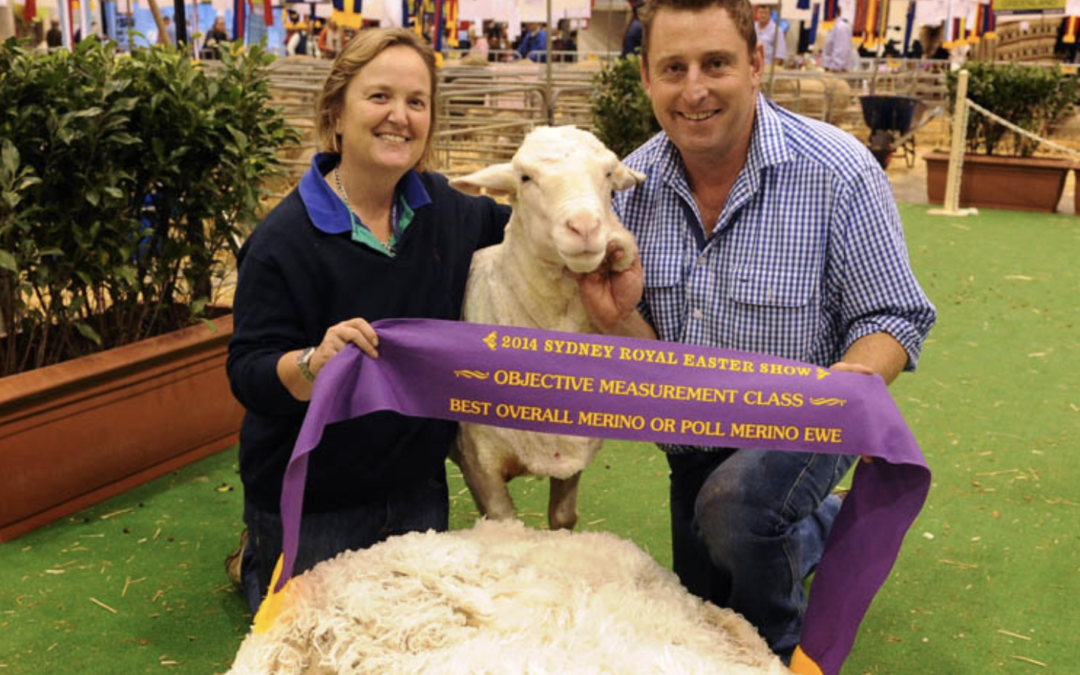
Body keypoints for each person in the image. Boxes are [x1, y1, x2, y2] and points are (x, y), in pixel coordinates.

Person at [576, 0, 936, 663]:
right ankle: (815, 528)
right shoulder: (626, 189)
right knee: (707, 583)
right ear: (647, 81)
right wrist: (618, 314)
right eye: (673, 68)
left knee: (735, 515)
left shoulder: (840, 171)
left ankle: (777, 649)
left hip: (807, 420)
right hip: (691, 439)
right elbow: (650, 361)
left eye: (716, 64)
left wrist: (843, 391)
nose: (694, 89)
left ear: (756, 64)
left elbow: (894, 315)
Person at [226, 27, 510, 615]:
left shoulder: (447, 211)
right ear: (335, 114)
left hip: (417, 493)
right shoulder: (281, 241)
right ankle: (258, 556)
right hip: (315, 499)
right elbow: (248, 371)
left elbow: (528, 231)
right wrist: (310, 363)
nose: (399, 117)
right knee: (315, 635)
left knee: (417, 634)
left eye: (416, 101)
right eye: (379, 97)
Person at [820, 6, 852, 72]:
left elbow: (842, 49)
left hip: (837, 70)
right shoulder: (833, 26)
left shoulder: (841, 27)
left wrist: (834, 68)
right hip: (830, 68)